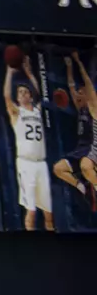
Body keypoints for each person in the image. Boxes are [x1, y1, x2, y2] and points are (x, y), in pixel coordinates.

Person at [2, 54, 53, 231]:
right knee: (30, 211)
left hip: (41, 164)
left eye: (26, 92)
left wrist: (30, 73)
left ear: (30, 97)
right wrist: (9, 73)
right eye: (20, 93)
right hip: (26, 164)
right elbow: (6, 97)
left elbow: (39, 91)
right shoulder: (17, 113)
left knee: (48, 214)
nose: (23, 94)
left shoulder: (37, 111)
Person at [52, 55, 97, 212]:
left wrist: (79, 63)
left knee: (86, 165)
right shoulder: (80, 110)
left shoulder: (93, 110)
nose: (77, 95)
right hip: (79, 149)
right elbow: (71, 87)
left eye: (80, 92)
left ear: (87, 95)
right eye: (77, 93)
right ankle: (83, 187)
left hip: (90, 149)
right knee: (58, 169)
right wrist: (70, 66)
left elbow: (88, 89)